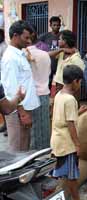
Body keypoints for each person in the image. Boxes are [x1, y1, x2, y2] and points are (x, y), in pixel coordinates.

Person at [1, 20, 40, 151]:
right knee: (17, 151)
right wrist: (23, 114)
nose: (29, 41)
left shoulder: (20, 53)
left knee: (24, 148)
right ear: (15, 36)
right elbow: (12, 90)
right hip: (18, 111)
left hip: (24, 108)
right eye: (26, 38)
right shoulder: (10, 58)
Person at [50, 65, 85, 200]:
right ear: (75, 81)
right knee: (72, 176)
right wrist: (77, 145)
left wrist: (78, 112)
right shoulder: (70, 100)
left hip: (57, 140)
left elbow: (62, 116)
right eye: (80, 82)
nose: (80, 85)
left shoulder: (60, 94)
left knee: (61, 173)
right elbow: (70, 124)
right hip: (67, 144)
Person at [25, 25, 51, 150]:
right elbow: (48, 74)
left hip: (30, 97)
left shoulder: (21, 55)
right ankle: (45, 156)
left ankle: (34, 157)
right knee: (44, 129)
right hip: (44, 94)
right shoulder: (45, 55)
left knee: (33, 131)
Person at [49, 30, 84, 95]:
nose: (58, 41)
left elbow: (79, 78)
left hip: (69, 87)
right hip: (58, 83)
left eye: (60, 39)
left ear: (65, 41)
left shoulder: (76, 58)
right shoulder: (61, 52)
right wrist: (61, 49)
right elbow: (48, 54)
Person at [38, 16, 61, 88]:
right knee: (47, 85)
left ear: (60, 25)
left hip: (59, 65)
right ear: (50, 25)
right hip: (47, 65)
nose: (56, 27)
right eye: (54, 25)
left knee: (59, 86)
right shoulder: (44, 36)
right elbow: (36, 45)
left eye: (58, 25)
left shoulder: (62, 36)